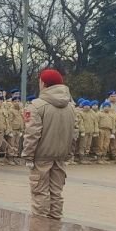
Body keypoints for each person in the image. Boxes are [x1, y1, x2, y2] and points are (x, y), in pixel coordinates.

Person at [21, 69, 76, 219]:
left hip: (41, 157)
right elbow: (74, 133)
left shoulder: (37, 106)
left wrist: (28, 156)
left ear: (43, 83)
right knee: (56, 193)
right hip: (60, 156)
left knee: (40, 193)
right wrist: (69, 154)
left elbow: (32, 134)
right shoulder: (71, 106)